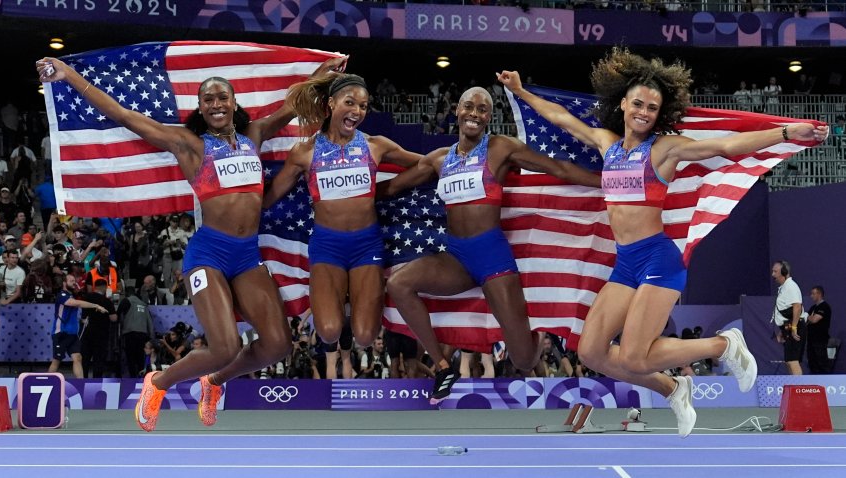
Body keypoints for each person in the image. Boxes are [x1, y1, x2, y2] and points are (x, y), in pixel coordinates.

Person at [498, 49, 825, 437]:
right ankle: (673, 387)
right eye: (638, 103)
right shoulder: (607, 143)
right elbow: (561, 117)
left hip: (658, 258)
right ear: (622, 103)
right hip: (625, 263)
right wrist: (521, 92)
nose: (644, 112)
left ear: (659, 114)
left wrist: (786, 133)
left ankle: (722, 345)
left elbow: (724, 147)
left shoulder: (664, 149)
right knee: (591, 352)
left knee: (636, 354)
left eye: (652, 107)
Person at [38, 53, 346, 431]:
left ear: (234, 103)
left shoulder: (255, 135)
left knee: (278, 345)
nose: (216, 104)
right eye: (208, 99)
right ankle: (158, 383)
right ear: (200, 107)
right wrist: (68, 75)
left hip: (247, 257)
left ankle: (213, 383)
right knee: (224, 347)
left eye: (222, 97)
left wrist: (321, 75)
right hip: (209, 255)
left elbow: (292, 105)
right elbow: (124, 116)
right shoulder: (189, 145)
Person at [385, 86, 602, 403]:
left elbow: (558, 168)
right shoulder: (438, 160)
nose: (475, 113)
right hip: (456, 258)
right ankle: (444, 367)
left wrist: (608, 182)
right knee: (399, 283)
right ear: (457, 111)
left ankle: (537, 332)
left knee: (523, 359)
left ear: (489, 117)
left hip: (493, 258)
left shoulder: (500, 148)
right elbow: (392, 187)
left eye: (483, 109)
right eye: (469, 106)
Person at [263, 73, 423, 351]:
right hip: (327, 247)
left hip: (367, 245)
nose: (358, 111)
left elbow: (424, 165)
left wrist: (388, 189)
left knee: (364, 337)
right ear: (331, 103)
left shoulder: (376, 145)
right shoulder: (304, 152)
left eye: (363, 106)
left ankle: (356, 304)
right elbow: (270, 197)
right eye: (350, 102)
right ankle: (341, 304)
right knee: (328, 332)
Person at [48, 273, 110, 378]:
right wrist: (96, 305)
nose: (74, 283)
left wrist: (80, 320)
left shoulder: (71, 296)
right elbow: (75, 303)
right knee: (56, 361)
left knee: (77, 357)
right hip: (61, 334)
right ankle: (45, 382)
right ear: (64, 283)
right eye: (71, 281)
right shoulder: (62, 295)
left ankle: (80, 384)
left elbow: (69, 313)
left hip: (72, 334)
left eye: (74, 281)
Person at [771, 260, 807, 376]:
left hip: (796, 326)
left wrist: (794, 327)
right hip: (790, 326)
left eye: (775, 271)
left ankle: (799, 392)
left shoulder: (791, 286)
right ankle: (795, 389)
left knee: (793, 361)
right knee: (788, 361)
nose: (773, 275)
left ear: (784, 272)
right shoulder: (784, 288)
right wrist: (784, 330)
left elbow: (797, 307)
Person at [81, 278, 117, 378]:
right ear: (104, 287)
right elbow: (113, 318)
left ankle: (82, 380)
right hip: (101, 335)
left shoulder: (86, 297)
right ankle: (96, 382)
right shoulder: (107, 301)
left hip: (86, 333)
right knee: (98, 360)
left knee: (85, 359)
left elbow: (81, 315)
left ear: (94, 287)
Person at [806, 285, 831, 374]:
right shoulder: (813, 308)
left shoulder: (824, 307)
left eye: (813, 294)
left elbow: (814, 320)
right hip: (811, 340)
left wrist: (805, 315)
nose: (811, 296)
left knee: (822, 362)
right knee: (812, 362)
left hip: (820, 340)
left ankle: (826, 382)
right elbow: (807, 321)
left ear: (819, 294)